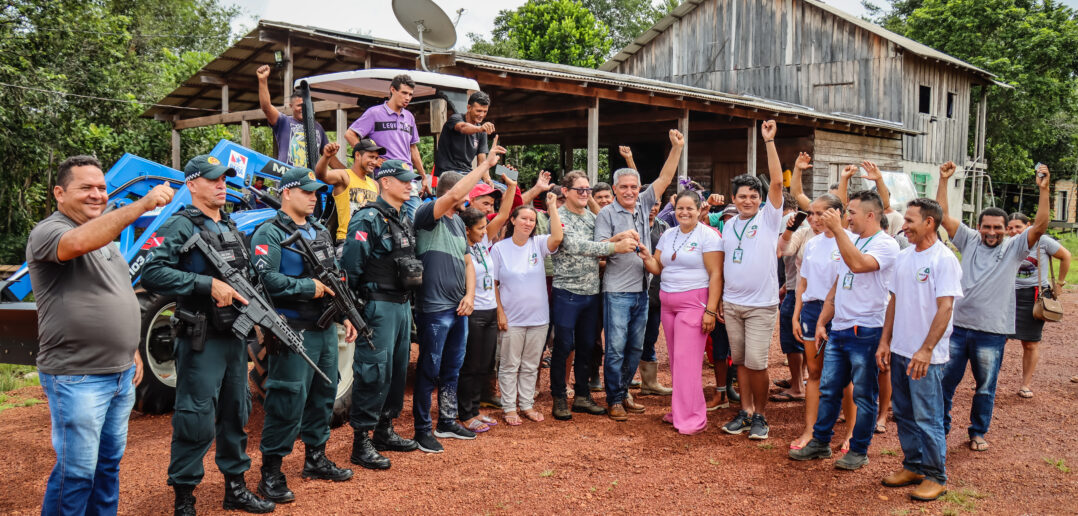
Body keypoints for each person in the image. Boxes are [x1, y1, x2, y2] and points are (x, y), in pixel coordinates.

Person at [28, 156, 172, 515]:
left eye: (102, 188)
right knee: (76, 474)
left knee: (107, 467)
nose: (97, 195)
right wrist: (143, 203)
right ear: (60, 193)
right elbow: (77, 244)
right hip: (77, 377)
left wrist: (133, 349)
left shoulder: (107, 238)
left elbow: (120, 292)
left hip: (120, 373)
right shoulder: (50, 231)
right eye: (86, 188)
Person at [141, 155, 275, 514]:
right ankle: (184, 498)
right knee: (195, 417)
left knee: (236, 412)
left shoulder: (231, 226)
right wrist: (206, 284)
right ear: (191, 184)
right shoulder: (180, 226)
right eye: (213, 179)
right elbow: (152, 272)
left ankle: (236, 488)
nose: (221, 185)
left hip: (234, 337)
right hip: (201, 340)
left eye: (224, 179)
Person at [250, 167, 357, 504]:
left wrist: (346, 314)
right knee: (286, 400)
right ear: (287, 193)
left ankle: (316, 458)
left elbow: (334, 279)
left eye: (315, 192)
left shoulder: (318, 232)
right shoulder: (268, 233)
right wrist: (309, 288)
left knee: (324, 395)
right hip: (292, 330)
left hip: (324, 329)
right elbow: (266, 281)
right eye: (307, 192)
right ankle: (271, 472)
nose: (314, 197)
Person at [936, 161, 1052, 452]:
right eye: (987, 226)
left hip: (991, 332)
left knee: (985, 387)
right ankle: (940, 429)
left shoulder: (1014, 247)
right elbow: (941, 216)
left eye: (997, 228)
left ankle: (977, 432)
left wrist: (1044, 189)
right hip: (959, 328)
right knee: (945, 384)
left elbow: (1040, 226)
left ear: (1006, 230)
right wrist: (943, 180)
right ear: (978, 227)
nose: (992, 232)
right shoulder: (969, 240)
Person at [790, 188, 899, 469]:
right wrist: (823, 321)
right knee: (829, 388)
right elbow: (837, 286)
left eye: (852, 213)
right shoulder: (853, 241)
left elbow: (858, 265)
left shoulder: (885, 244)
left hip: (867, 329)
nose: (847, 218)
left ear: (871, 215)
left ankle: (858, 449)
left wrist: (838, 231)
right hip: (839, 328)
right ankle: (820, 442)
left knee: (863, 393)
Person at [411, 140, 507, 453]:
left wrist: (468, 295)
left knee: (452, 366)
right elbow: (452, 194)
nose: (469, 199)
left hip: (458, 308)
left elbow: (468, 261)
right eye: (467, 192)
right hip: (434, 307)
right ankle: (423, 428)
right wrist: (484, 166)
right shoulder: (430, 213)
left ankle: (447, 420)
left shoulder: (456, 223)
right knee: (430, 367)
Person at [595, 129, 685, 420]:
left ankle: (624, 392)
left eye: (634, 187)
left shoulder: (645, 204)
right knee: (617, 348)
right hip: (617, 291)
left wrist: (676, 148)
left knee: (635, 347)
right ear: (615, 188)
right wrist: (618, 241)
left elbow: (664, 179)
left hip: (642, 291)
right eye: (624, 187)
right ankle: (614, 399)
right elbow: (599, 250)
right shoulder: (606, 214)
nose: (630, 191)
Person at [876, 197, 963, 502]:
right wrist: (885, 341)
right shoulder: (904, 257)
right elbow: (894, 302)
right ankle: (913, 465)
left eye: (910, 221)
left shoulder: (944, 259)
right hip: (899, 350)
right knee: (904, 413)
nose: (904, 227)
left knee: (928, 417)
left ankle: (936, 476)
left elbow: (945, 308)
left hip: (927, 357)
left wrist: (926, 350)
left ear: (929, 222)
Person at [340, 159, 424, 470]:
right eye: (403, 180)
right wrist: (353, 310)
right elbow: (350, 268)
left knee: (397, 370)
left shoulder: (404, 217)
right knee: (373, 370)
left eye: (411, 180)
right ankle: (361, 440)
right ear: (385, 183)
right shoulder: (368, 218)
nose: (409, 185)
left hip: (401, 304)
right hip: (377, 304)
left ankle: (384, 429)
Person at [549, 171, 640, 421]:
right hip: (567, 291)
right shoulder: (559, 217)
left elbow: (600, 244)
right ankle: (558, 397)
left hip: (592, 291)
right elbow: (574, 246)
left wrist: (618, 238)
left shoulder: (592, 217)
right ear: (565, 192)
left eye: (587, 190)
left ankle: (581, 395)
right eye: (580, 189)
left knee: (588, 347)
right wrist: (615, 246)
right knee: (564, 346)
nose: (585, 194)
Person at [717, 120, 785, 440]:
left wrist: (769, 142)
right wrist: (719, 300)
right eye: (743, 196)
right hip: (733, 304)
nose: (748, 200)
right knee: (741, 362)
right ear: (735, 197)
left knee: (758, 363)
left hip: (761, 305)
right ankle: (744, 412)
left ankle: (761, 416)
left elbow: (776, 185)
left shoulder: (769, 219)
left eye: (753, 195)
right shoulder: (729, 225)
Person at [637, 190, 722, 434]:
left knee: (688, 362)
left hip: (694, 302)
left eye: (689, 209)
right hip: (668, 302)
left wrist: (711, 310)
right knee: (676, 360)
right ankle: (680, 408)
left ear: (699, 210)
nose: (684, 213)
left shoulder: (709, 236)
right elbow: (657, 266)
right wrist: (644, 256)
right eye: (680, 209)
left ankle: (693, 416)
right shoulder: (668, 234)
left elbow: (716, 274)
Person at [787, 156, 856, 452]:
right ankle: (810, 429)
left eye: (820, 213)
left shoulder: (850, 240)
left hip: (840, 314)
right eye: (811, 213)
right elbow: (803, 282)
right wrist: (796, 314)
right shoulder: (812, 243)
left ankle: (851, 432)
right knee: (814, 373)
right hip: (811, 310)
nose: (813, 219)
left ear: (838, 213)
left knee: (842, 377)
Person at [493, 194, 563, 425]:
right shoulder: (499, 249)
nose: (528, 223)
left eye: (532, 220)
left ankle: (526, 405)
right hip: (511, 318)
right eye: (523, 218)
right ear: (513, 220)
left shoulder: (539, 243)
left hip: (539, 317)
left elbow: (557, 237)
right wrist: (500, 312)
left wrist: (552, 207)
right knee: (509, 364)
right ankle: (509, 407)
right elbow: (493, 284)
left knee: (531, 364)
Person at [458, 171, 518, 433]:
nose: (486, 232)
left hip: (489, 310)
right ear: (468, 229)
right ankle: (464, 414)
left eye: (486, 228)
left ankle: (475, 410)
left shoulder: (482, 242)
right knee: (470, 365)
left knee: (484, 365)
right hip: (471, 312)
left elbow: (503, 216)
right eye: (481, 229)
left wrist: (512, 188)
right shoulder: (461, 244)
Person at [1007, 212, 1071, 398]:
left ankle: (1025, 384)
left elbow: (1066, 256)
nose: (1013, 231)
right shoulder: (1007, 242)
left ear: (1028, 225)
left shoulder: (1042, 241)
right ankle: (987, 381)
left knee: (1030, 343)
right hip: (1008, 293)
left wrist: (1059, 283)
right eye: (1010, 228)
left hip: (1033, 295)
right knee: (997, 339)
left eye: (1018, 227)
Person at [345, 74, 427, 219]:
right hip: (385, 176)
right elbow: (350, 134)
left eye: (410, 94)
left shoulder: (409, 117)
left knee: (415, 221)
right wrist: (372, 159)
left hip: (408, 176)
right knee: (385, 220)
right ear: (393, 90)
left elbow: (413, 148)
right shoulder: (374, 113)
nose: (407, 98)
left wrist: (423, 176)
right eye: (404, 93)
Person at [256, 64, 334, 168]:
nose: (303, 108)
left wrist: (351, 175)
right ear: (291, 106)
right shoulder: (283, 121)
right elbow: (266, 107)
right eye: (299, 105)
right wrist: (263, 80)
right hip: (288, 180)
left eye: (306, 106)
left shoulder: (317, 127)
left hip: (311, 181)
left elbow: (330, 157)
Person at [315, 139, 384, 243]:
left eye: (376, 158)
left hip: (369, 242)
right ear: (357, 155)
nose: (374, 162)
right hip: (348, 241)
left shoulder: (375, 185)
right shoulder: (345, 176)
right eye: (370, 157)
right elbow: (321, 175)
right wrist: (326, 157)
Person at [638, 199, 674, 397]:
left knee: (651, 336)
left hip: (657, 292)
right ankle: (622, 385)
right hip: (634, 289)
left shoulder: (665, 228)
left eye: (656, 204)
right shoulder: (633, 224)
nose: (652, 208)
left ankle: (649, 382)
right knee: (630, 339)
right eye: (649, 203)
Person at [433, 91, 492, 178]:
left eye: (485, 111)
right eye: (479, 111)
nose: (482, 115)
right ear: (469, 107)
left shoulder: (481, 133)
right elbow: (463, 127)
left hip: (466, 172)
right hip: (447, 172)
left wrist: (487, 180)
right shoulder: (455, 119)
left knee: (499, 189)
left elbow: (482, 161)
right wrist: (480, 129)